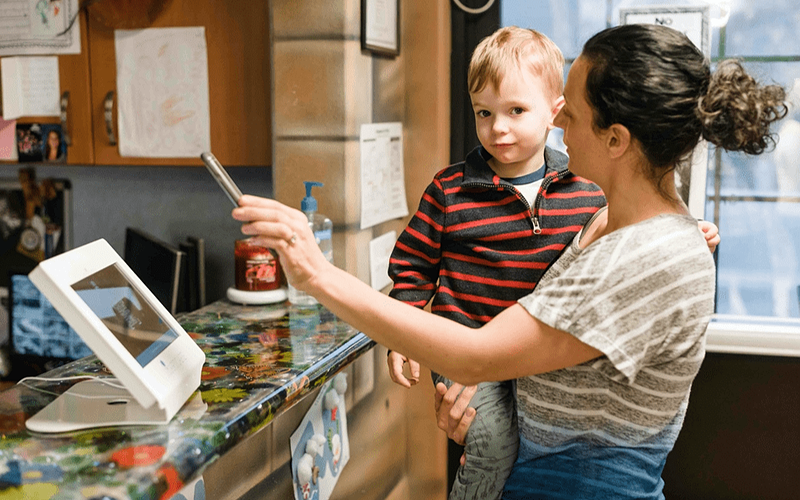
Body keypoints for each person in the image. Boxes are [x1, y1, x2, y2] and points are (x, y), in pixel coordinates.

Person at [232, 24, 786, 499]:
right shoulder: (614, 218)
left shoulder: (646, 252)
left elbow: (477, 355)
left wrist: (318, 274)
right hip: (534, 468)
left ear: (615, 139)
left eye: (572, 112)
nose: (560, 124)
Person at [385, 26, 606, 500]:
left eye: (516, 111)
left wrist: (690, 229)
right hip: (466, 349)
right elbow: (412, 265)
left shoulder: (587, 191)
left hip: (540, 353)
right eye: (484, 113)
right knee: (490, 444)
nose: (497, 128)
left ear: (555, 113)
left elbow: (629, 230)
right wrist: (400, 334)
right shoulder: (449, 190)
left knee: (543, 449)